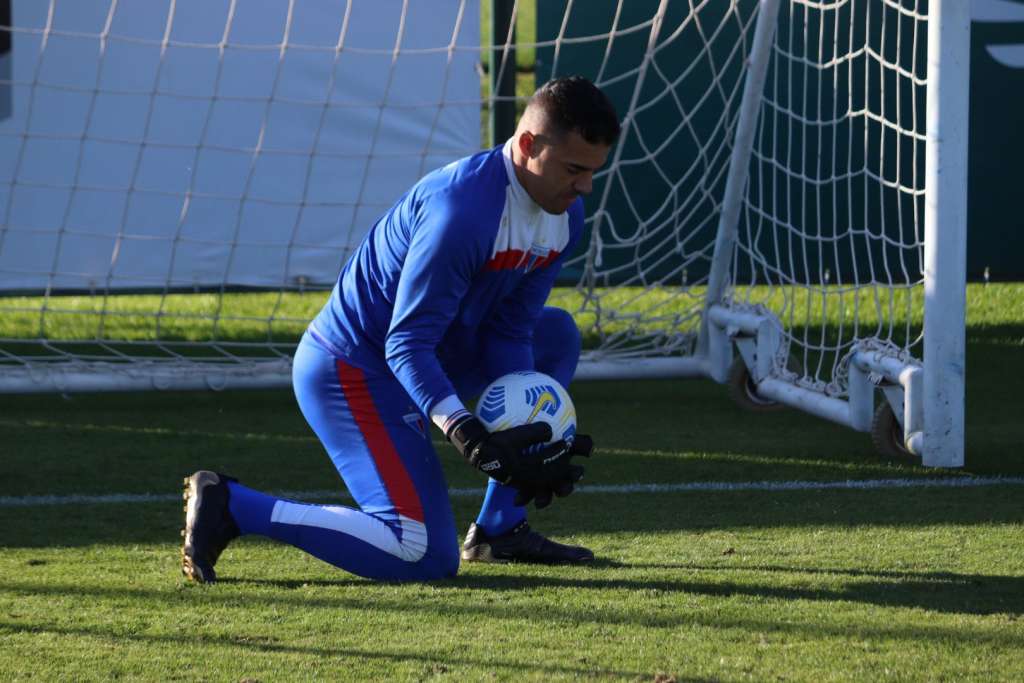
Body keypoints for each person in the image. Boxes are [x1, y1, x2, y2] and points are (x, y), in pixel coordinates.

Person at [181, 76, 621, 583]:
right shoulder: (463, 212)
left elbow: (510, 330)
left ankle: (500, 527)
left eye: (592, 172)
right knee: (423, 555)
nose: (585, 186)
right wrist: (470, 434)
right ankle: (234, 504)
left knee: (555, 335)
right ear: (527, 145)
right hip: (352, 367)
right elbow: (405, 343)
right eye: (573, 169)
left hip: (432, 352)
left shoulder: (564, 214)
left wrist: (521, 438)